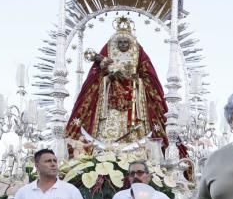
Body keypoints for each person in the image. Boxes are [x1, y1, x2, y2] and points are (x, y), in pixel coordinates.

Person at [65, 16, 171, 151]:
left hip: (134, 101)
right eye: (120, 42)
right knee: (107, 134)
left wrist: (136, 80)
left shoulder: (139, 55)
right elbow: (95, 79)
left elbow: (149, 78)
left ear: (131, 44)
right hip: (110, 102)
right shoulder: (106, 57)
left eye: (125, 42)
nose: (122, 45)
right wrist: (109, 78)